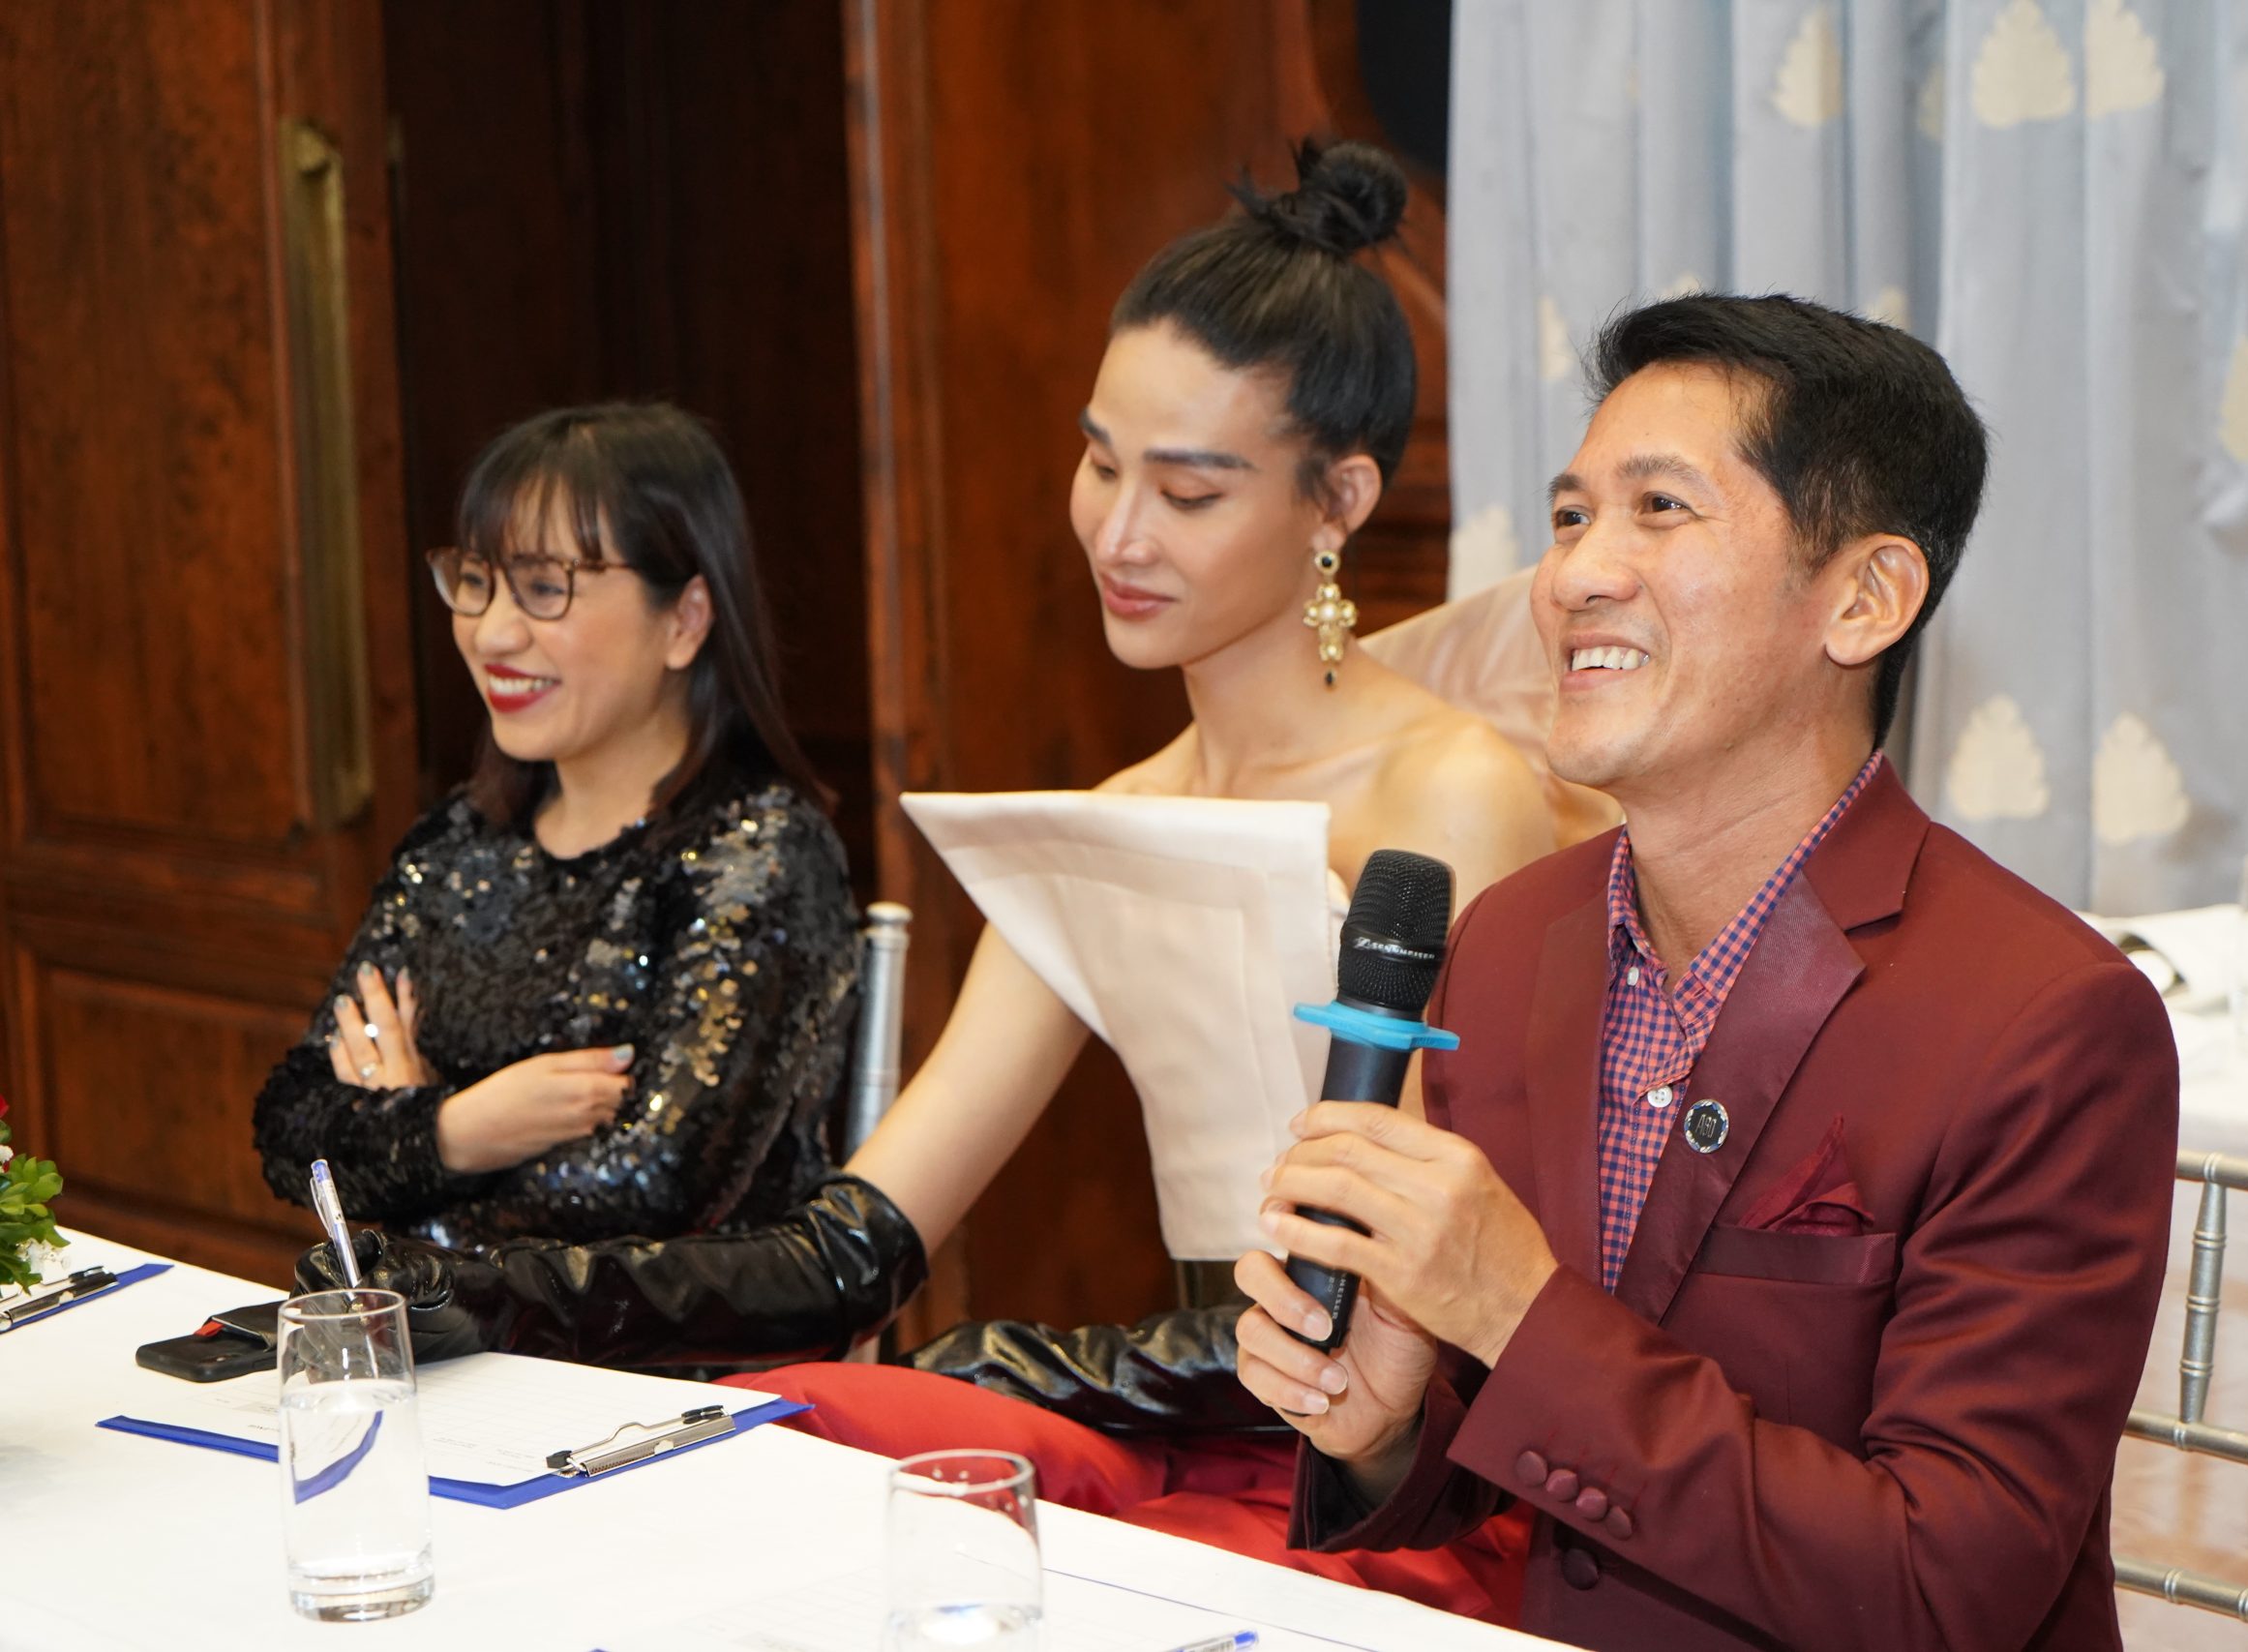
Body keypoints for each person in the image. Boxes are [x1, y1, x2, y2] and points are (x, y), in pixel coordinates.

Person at [300, 143, 1548, 1616]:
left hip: (1402, 1464)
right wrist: (501, 1296)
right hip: (1183, 1420)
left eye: (1188, 490)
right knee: (774, 1443)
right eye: (1100, 462)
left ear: (1338, 498)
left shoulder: (1455, 792)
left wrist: (1040, 1367)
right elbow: (859, 1243)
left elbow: (1455, 1288)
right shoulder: (1112, 824)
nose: (1118, 532)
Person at [1230, 294, 2180, 1651]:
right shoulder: (1510, 939)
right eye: (1569, 516)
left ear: (1864, 598)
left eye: (1659, 509)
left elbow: (1944, 1593)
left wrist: (1516, 1311)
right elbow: (1539, 1461)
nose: (1573, 575)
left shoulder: (2046, 1020)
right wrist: (1385, 1427)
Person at [256, 405, 908, 1322]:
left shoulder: (759, 850)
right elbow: (294, 1125)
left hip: (673, 1375)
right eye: (475, 582)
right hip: (456, 1351)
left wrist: (409, 1174)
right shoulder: (460, 842)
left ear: (684, 620)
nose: (491, 633)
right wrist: (462, 1126)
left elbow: (655, 1186)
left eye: (542, 588)